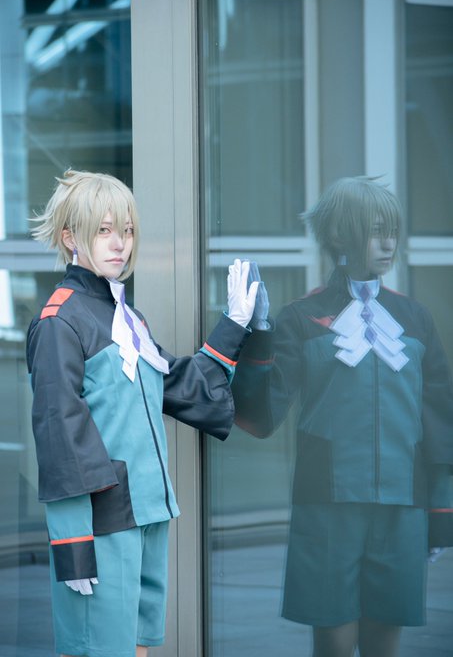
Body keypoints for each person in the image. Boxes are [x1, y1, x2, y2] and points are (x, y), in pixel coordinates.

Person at [26, 169, 258, 657]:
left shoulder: (128, 319)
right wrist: (72, 544)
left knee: (138, 648)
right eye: (104, 230)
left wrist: (234, 323)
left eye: (127, 230)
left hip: (150, 514)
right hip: (101, 525)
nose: (120, 244)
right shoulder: (59, 321)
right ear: (70, 237)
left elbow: (180, 386)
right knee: (96, 649)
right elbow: (59, 434)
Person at [232, 176, 453, 657]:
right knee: (333, 644)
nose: (388, 243)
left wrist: (441, 513)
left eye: (391, 230)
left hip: (403, 504)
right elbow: (261, 416)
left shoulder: (415, 319)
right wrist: (258, 333)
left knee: (385, 641)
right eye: (375, 231)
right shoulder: (300, 318)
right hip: (326, 505)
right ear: (339, 235)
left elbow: (440, 425)